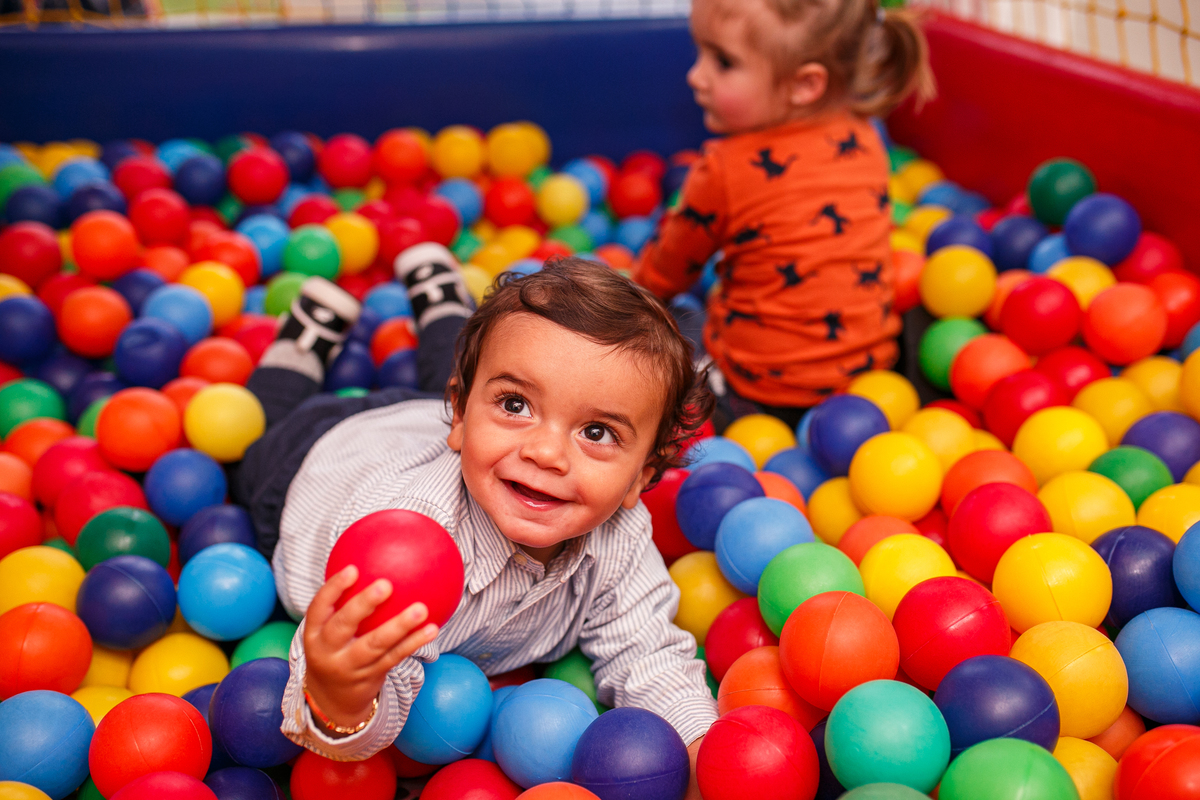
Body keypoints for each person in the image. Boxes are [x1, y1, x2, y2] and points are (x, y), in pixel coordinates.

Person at [231, 247, 717, 793]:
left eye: (597, 432)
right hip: (317, 458)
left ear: (638, 479)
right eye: (516, 405)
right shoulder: (407, 549)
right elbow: (355, 697)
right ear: (459, 417)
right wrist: (342, 696)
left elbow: (649, 655)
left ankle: (442, 303)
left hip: (428, 426)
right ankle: (302, 343)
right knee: (251, 443)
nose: (545, 453)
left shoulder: (618, 538)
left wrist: (701, 755)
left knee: (479, 375)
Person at [633, 0, 936, 429]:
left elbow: (664, 275)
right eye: (700, 52)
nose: (695, 76)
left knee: (672, 332)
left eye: (723, 62)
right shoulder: (865, 140)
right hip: (868, 388)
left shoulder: (725, 169)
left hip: (753, 392)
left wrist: (631, 289)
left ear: (805, 84)